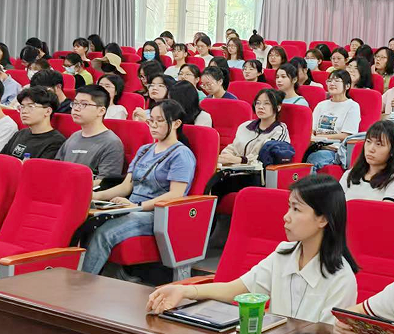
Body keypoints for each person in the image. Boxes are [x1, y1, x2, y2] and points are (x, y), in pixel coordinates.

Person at [149, 174, 358, 321]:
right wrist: (184, 290)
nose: (286, 217)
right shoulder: (283, 254)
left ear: (323, 219)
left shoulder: (341, 278)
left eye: (296, 209)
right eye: (289, 207)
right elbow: (235, 290)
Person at [84, 100, 197, 275]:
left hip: (157, 214)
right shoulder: (144, 150)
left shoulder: (181, 154)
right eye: (151, 120)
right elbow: (126, 186)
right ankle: (113, 277)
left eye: (160, 120)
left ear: (176, 123)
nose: (153, 125)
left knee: (104, 233)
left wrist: (138, 206)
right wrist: (93, 196)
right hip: (131, 208)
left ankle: (81, 282)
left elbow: (176, 194)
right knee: (87, 226)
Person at [211, 88, 291, 197]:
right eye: (258, 103)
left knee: (218, 185)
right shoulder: (245, 126)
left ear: (278, 107)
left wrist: (242, 160)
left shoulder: (279, 131)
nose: (261, 107)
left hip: (256, 176)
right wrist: (225, 157)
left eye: (266, 103)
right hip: (235, 171)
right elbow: (233, 147)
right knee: (212, 181)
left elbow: (266, 157)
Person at [55, 85, 125, 187]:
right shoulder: (74, 136)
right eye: (75, 103)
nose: (76, 109)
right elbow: (57, 166)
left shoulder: (112, 143)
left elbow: (104, 181)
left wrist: (70, 186)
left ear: (101, 111)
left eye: (84, 104)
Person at [306, 70, 361, 170]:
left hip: (335, 150)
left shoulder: (352, 106)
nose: (332, 83)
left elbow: (346, 136)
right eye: (329, 81)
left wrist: (321, 137)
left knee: (315, 158)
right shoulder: (321, 105)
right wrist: (314, 138)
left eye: (336, 81)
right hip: (316, 146)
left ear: (347, 86)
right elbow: (311, 130)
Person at [340, 120, 394, 202]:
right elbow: (335, 205)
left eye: (378, 144)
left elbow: (387, 209)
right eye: (368, 142)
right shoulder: (350, 174)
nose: (371, 149)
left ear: (392, 151)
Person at [1, 87, 65, 159]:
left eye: (31, 106)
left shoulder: (56, 142)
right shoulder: (20, 133)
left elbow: (41, 166)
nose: (24, 111)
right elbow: (3, 159)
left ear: (48, 111)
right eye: (22, 107)